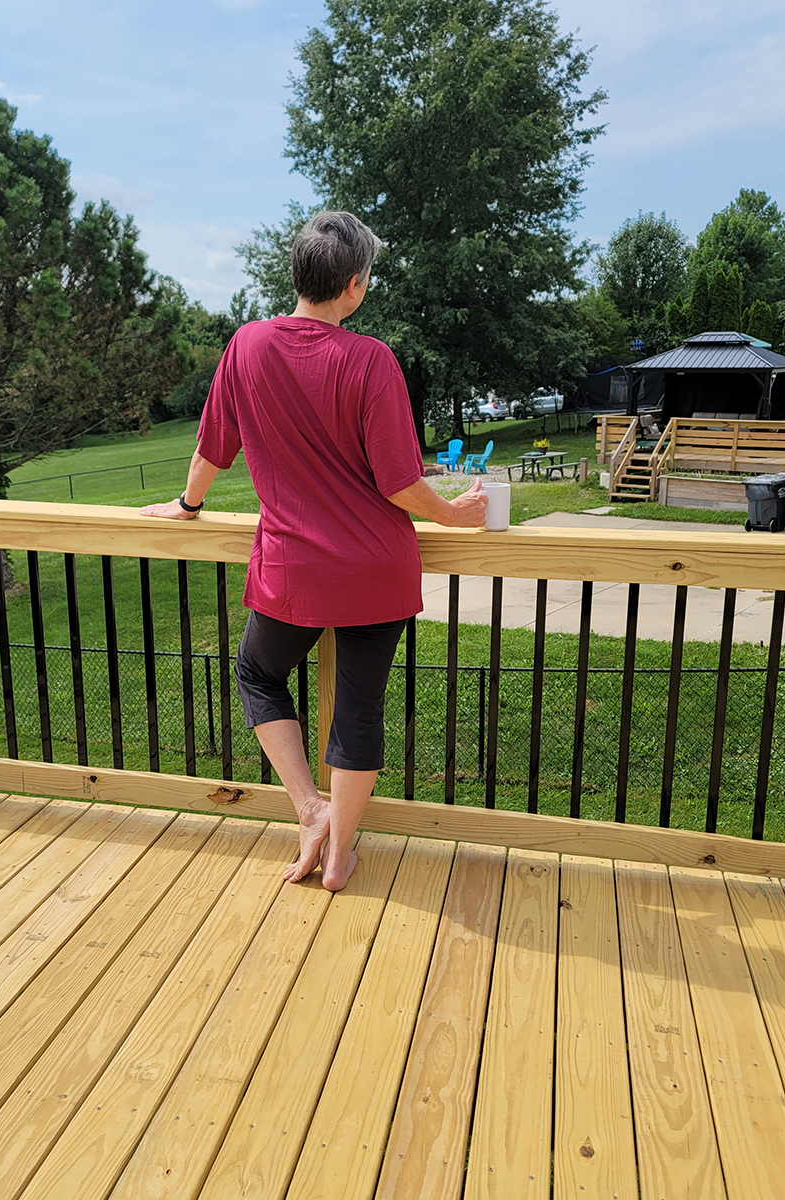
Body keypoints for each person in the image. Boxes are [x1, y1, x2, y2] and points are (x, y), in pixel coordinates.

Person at [141, 211, 486, 890]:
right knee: (359, 709)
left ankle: (308, 809)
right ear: (353, 286)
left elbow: (214, 445)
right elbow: (399, 482)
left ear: (298, 274)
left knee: (257, 674)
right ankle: (340, 855)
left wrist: (187, 506)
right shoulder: (371, 360)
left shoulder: (246, 346)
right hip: (375, 569)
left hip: (293, 568)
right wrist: (455, 515)